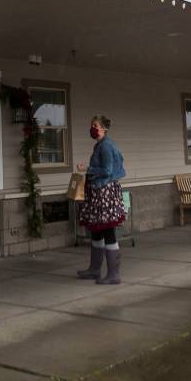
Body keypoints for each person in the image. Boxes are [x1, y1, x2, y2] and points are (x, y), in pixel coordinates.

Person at [76, 115, 126, 284]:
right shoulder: (99, 145)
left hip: (105, 193)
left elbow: (107, 170)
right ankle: (94, 270)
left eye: (95, 125)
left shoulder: (105, 146)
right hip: (97, 192)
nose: (93, 128)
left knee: (107, 230)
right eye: (92, 125)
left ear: (104, 128)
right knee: (96, 231)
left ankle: (114, 274)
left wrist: (88, 168)